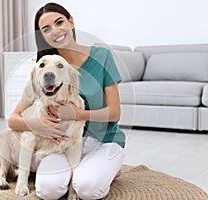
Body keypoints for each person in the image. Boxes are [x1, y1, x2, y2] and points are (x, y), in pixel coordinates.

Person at [8, 2, 126, 200]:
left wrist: (77, 115)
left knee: (87, 189)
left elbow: (114, 112)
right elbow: (13, 119)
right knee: (48, 191)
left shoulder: (101, 56)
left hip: (102, 141)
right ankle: (86, 172)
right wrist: (36, 125)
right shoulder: (45, 70)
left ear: (71, 22)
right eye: (46, 29)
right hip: (61, 145)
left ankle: (110, 168)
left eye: (59, 22)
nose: (55, 31)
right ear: (43, 37)